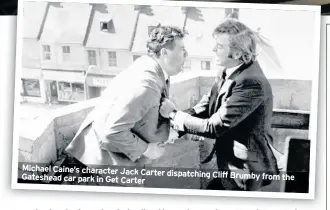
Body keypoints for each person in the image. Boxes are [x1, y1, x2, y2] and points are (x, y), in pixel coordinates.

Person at [159, 18, 281, 191]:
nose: (213, 49)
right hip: (232, 166)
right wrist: (176, 128)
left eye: (220, 46)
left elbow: (215, 127)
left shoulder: (250, 81)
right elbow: (207, 104)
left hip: (246, 171)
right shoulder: (229, 71)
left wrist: (173, 115)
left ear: (237, 53)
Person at [65, 25, 187, 171]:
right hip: (99, 164)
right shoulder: (147, 84)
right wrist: (147, 149)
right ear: (164, 52)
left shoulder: (151, 67)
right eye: (181, 49)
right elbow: (113, 131)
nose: (186, 54)